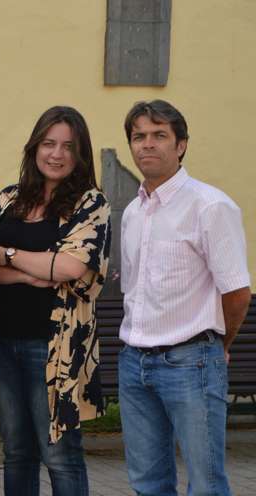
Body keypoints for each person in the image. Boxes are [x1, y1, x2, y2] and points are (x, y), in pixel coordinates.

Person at [0, 106, 111, 496]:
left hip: (54, 349)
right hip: (1, 343)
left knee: (59, 454)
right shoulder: (6, 200)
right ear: (34, 147)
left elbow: (71, 267)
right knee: (16, 453)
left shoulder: (91, 204)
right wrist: (30, 272)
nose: (57, 154)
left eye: (68, 146)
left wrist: (7, 255)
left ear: (80, 154)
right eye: (49, 143)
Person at [118, 100, 251, 496]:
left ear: (181, 145)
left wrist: (218, 345)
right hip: (134, 362)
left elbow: (237, 293)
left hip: (192, 362)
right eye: (139, 136)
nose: (147, 144)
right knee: (147, 483)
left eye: (159, 135)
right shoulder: (132, 212)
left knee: (206, 484)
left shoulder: (210, 206)